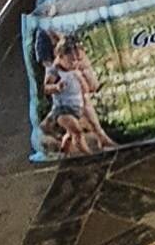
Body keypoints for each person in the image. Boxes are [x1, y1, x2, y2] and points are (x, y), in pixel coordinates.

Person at [33, 27, 114, 155]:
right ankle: (90, 150)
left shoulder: (74, 68)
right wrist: (56, 87)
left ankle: (64, 142)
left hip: (76, 106)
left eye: (77, 60)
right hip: (63, 108)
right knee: (76, 130)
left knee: (74, 125)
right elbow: (46, 86)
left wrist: (85, 82)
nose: (75, 63)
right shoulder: (55, 68)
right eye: (72, 60)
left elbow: (87, 88)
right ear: (59, 57)